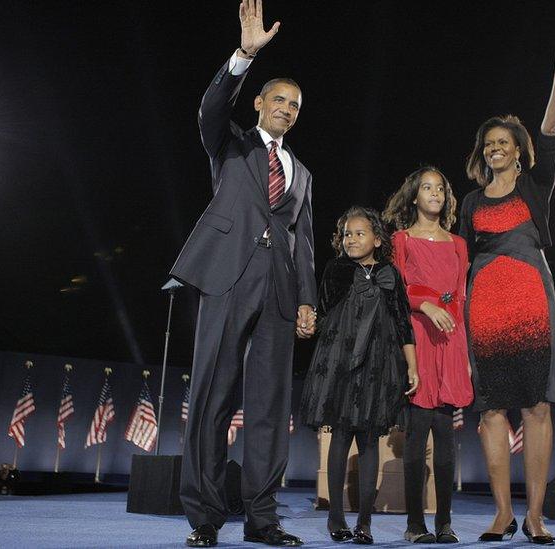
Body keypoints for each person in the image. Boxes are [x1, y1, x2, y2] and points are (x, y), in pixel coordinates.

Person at [169, 1, 317, 546]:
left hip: (279, 292)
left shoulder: (302, 173)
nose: (287, 109)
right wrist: (243, 55)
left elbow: (301, 241)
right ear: (259, 103)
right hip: (228, 278)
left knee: (270, 408)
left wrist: (307, 300)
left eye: (295, 105)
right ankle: (205, 519)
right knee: (213, 396)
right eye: (278, 100)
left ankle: (262, 519)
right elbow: (209, 110)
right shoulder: (229, 143)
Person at [459, 25, 555, 544]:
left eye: (505, 142)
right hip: (485, 307)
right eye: (489, 143)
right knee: (491, 408)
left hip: (532, 300)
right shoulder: (470, 204)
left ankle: (536, 516)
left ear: (519, 152)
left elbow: (550, 130)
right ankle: (502, 514)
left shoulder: (538, 185)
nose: (496, 148)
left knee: (536, 406)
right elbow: (459, 261)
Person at [299, 206, 419, 545]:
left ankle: (365, 522)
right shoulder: (335, 269)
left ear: (377, 239)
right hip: (338, 361)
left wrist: (412, 365)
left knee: (369, 440)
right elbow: (320, 313)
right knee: (339, 436)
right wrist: (307, 325)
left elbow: (402, 323)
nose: (352, 239)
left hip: (378, 365)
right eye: (347, 234)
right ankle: (336, 518)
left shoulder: (390, 274)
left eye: (359, 233)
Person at [383, 167, 473, 543]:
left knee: (447, 438)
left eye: (441, 188)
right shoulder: (400, 240)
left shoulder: (458, 244)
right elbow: (395, 291)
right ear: (414, 197)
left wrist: (464, 353)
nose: (435, 192)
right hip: (417, 337)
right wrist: (426, 305)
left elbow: (461, 298)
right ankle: (415, 525)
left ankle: (445, 523)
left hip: (451, 340)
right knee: (418, 434)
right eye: (427, 187)